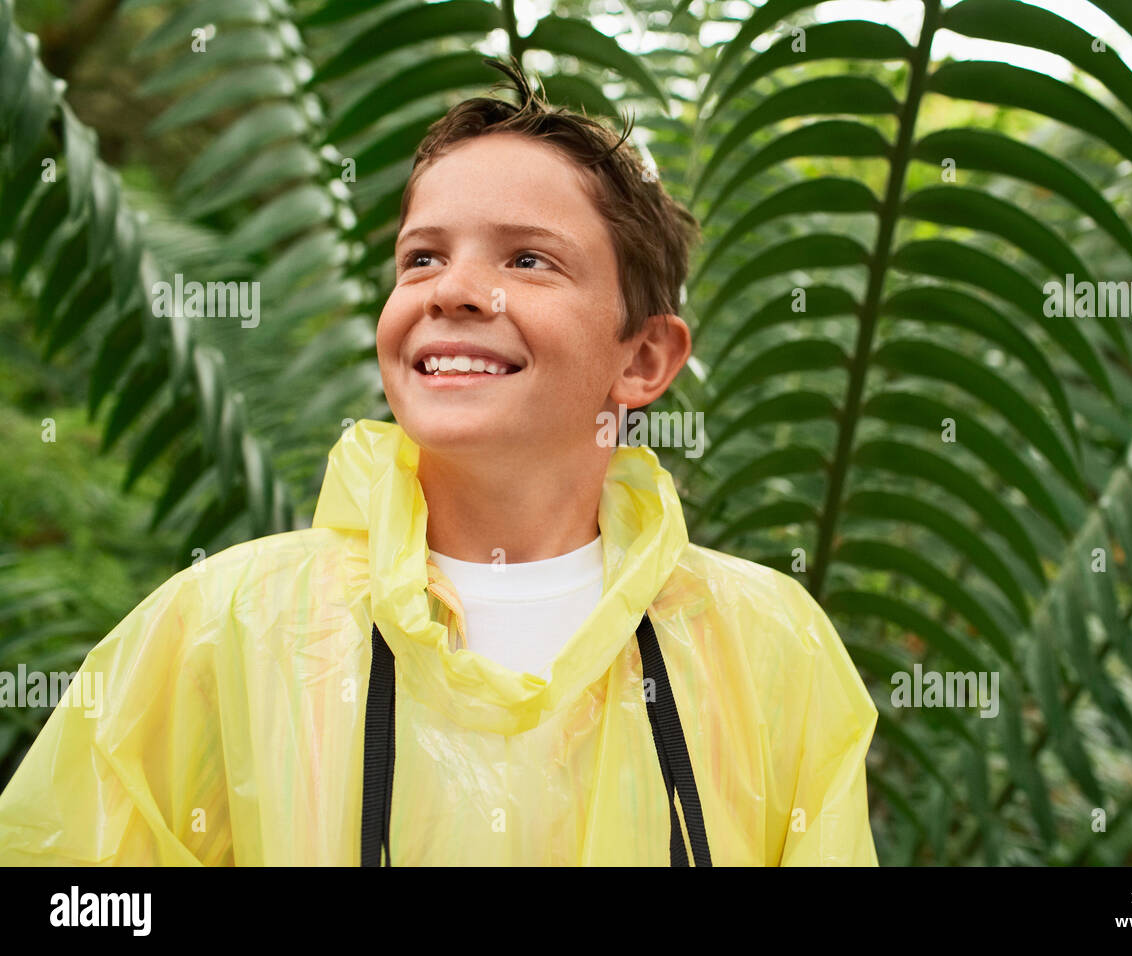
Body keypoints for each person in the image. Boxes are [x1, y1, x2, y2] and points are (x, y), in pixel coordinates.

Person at [0, 58, 880, 866]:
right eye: (421, 257)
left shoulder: (768, 644)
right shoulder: (225, 623)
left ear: (643, 359)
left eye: (527, 259)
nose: (454, 290)